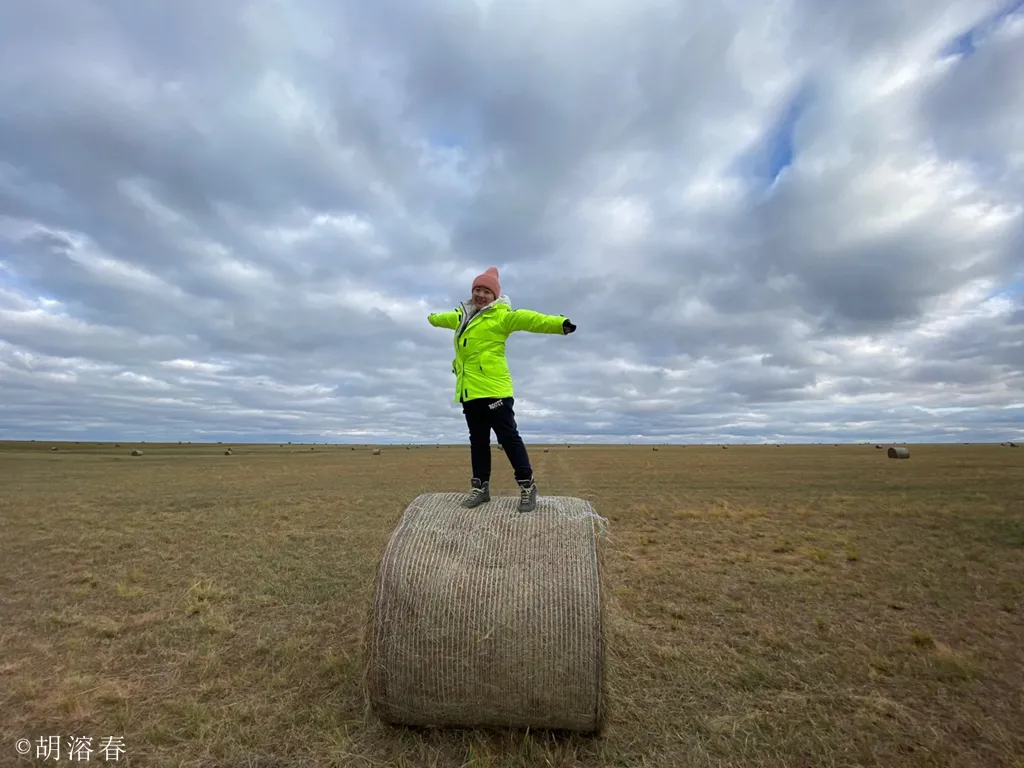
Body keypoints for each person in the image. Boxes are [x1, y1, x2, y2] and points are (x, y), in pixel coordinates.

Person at [428, 266, 576, 513]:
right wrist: (431, 317)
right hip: (469, 391)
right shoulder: (462, 316)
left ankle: (527, 487)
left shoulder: (502, 316)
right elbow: (441, 318)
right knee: (478, 441)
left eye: (487, 291)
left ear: (495, 296)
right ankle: (480, 488)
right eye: (477, 289)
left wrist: (559, 323)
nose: (481, 295)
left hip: (495, 390)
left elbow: (531, 319)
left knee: (508, 439)